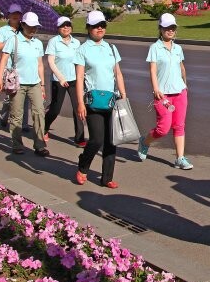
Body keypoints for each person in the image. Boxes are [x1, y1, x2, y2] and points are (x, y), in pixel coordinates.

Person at [74, 10, 127, 188]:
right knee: (96, 139)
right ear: (88, 28)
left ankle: (107, 178)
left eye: (102, 25)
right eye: (96, 26)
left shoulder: (111, 48)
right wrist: (80, 103)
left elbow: (117, 73)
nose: (99, 28)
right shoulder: (82, 50)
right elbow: (79, 78)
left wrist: (123, 95)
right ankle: (83, 165)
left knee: (112, 140)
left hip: (112, 100)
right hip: (92, 101)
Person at [137, 13, 193, 169]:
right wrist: (156, 89)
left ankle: (180, 158)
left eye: (173, 28)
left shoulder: (178, 48)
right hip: (163, 95)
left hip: (180, 92)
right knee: (163, 128)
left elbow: (181, 67)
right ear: (160, 29)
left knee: (179, 126)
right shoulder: (155, 47)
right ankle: (145, 141)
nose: (170, 30)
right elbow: (153, 70)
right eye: (167, 28)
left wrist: (185, 84)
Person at [0, 12, 48, 156]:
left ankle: (39, 144)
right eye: (30, 26)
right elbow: (4, 60)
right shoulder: (14, 40)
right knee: (17, 115)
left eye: (35, 27)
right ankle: (17, 144)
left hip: (35, 83)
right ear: (23, 25)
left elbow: (40, 65)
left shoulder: (37, 43)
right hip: (18, 84)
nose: (33, 29)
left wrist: (42, 85)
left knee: (39, 113)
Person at [44, 16, 85, 147]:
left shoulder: (77, 43)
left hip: (74, 80)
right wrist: (60, 77)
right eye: (63, 25)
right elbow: (51, 61)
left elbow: (80, 62)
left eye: (68, 25)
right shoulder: (53, 42)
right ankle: (44, 127)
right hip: (58, 80)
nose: (66, 27)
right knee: (55, 109)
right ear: (58, 28)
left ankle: (79, 138)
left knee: (78, 108)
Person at [0, 4, 25, 130]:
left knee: (23, 97)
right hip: (8, 68)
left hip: (22, 67)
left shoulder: (24, 29)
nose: (16, 16)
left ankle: (22, 123)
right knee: (10, 96)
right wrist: (12, 40)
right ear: (8, 15)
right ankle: (5, 116)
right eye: (13, 14)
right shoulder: (3, 31)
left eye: (18, 14)